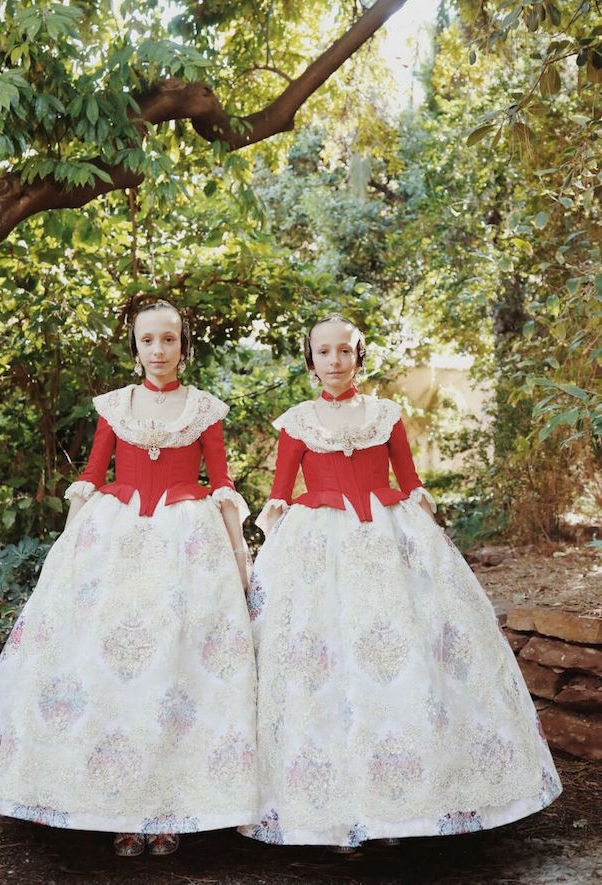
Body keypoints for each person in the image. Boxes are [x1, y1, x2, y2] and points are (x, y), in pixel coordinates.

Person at [240, 313, 561, 850]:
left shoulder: (385, 415)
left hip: (390, 542)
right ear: (310, 358)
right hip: (318, 551)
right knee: (326, 664)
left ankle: (406, 807)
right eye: (324, 351)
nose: (335, 360)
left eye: (345, 350)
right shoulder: (297, 422)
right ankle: (337, 813)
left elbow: (410, 482)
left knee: (405, 656)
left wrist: (433, 555)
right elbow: (279, 494)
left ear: (359, 355)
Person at [0, 300, 258, 857]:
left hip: (186, 546)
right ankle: (115, 807)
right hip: (116, 540)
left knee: (174, 669)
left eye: (169, 339)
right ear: (135, 347)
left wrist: (239, 552)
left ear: (183, 345)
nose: (158, 350)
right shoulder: (115, 406)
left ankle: (167, 809)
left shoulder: (203, 409)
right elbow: (92, 475)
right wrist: (68, 550)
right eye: (148, 340)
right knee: (109, 665)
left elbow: (221, 482)